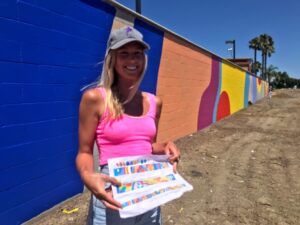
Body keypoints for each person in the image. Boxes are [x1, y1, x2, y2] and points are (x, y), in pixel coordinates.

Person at [76, 26, 181, 225]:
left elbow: (148, 146)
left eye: (137, 54)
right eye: (124, 54)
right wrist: (88, 176)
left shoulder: (154, 102)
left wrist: (166, 147)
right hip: (113, 192)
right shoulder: (95, 99)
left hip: (148, 188)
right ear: (112, 59)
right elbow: (84, 151)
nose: (132, 60)